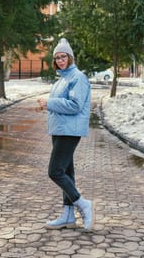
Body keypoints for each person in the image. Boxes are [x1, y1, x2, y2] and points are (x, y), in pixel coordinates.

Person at [37, 38, 95, 230]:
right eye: (57, 58)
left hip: (69, 131)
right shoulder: (63, 78)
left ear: (70, 57)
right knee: (67, 172)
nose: (60, 60)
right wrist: (47, 106)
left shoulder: (77, 77)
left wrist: (50, 103)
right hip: (60, 129)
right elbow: (59, 103)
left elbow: (76, 105)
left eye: (63, 56)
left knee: (55, 171)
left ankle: (82, 204)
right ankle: (68, 216)